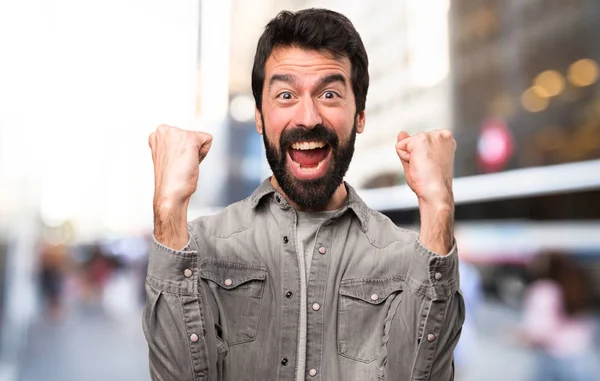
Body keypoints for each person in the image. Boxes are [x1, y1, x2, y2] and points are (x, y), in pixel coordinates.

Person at [143, 8, 464, 381]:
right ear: (260, 117)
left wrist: (438, 208)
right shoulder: (196, 248)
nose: (308, 117)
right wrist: (168, 209)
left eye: (329, 94)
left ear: (359, 114)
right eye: (285, 94)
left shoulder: (411, 260)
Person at [518, 251, 599, 381]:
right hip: (582, 355)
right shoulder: (577, 283)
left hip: (554, 357)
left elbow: (537, 330)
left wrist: (519, 336)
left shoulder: (543, 289)